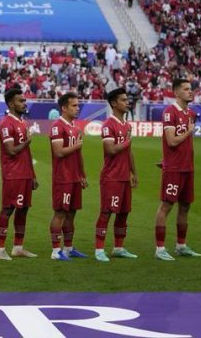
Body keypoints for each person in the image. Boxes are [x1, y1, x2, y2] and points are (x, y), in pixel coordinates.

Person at [154, 79, 201, 261]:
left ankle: (181, 246)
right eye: (186, 89)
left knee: (185, 206)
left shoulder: (190, 113)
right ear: (176, 92)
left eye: (191, 89)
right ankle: (160, 249)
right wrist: (188, 132)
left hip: (188, 167)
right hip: (174, 168)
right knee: (166, 205)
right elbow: (172, 141)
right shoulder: (169, 112)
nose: (191, 92)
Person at [94, 88, 138, 262]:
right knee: (107, 212)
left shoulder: (127, 125)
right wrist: (127, 142)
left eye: (127, 99)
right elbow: (110, 150)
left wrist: (133, 172)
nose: (127, 102)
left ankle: (118, 248)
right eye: (123, 100)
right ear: (114, 103)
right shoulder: (108, 125)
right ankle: (99, 250)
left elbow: (129, 151)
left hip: (124, 176)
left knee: (124, 212)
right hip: (111, 177)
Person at [0, 89, 39, 260]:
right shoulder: (6, 123)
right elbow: (11, 150)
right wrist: (27, 141)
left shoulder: (22, 122)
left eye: (24, 100)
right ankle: (0, 249)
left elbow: (26, 153)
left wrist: (33, 175)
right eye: (21, 101)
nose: (24, 103)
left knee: (23, 209)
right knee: (8, 209)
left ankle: (18, 247)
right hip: (13, 174)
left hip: (25, 173)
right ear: (11, 104)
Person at [49, 92, 87, 261]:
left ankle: (69, 248)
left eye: (78, 105)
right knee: (60, 213)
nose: (77, 108)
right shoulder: (57, 126)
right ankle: (55, 251)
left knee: (71, 213)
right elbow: (58, 152)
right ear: (64, 108)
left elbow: (79, 155)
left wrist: (82, 175)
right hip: (62, 178)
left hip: (74, 177)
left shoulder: (76, 128)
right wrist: (77, 146)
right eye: (74, 105)